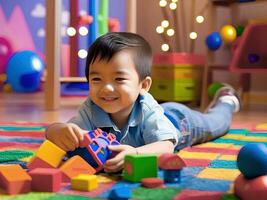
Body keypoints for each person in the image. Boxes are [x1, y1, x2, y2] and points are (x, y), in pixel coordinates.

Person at [46, 32, 240, 173]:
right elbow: (65, 131)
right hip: (163, 115)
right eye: (97, 79)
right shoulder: (90, 108)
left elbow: (165, 146)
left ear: (143, 85)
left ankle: (226, 101)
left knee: (217, 123)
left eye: (119, 79)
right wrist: (58, 131)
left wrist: (136, 154)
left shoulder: (147, 109)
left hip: (180, 121)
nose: (106, 88)